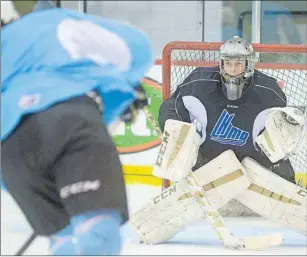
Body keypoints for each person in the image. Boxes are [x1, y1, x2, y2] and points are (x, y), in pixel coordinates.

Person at [1, 1, 153, 255]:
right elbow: (137, 48)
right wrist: (124, 89)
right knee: (96, 233)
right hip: (71, 121)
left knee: (63, 240)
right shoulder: (66, 25)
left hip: (9, 144)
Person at [130, 36, 306, 245]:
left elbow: (281, 130)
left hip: (255, 162)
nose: (233, 68)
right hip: (208, 161)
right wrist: (180, 132)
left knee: (286, 187)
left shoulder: (268, 91)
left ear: (249, 64)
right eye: (228, 63)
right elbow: (172, 107)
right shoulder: (200, 81)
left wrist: (288, 132)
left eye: (238, 63)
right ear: (221, 63)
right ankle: (153, 224)